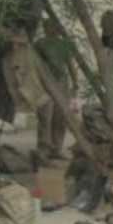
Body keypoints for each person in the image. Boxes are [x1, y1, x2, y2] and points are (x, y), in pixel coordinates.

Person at [34, 18, 78, 160]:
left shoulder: (64, 44)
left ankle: (56, 147)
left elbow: (70, 64)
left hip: (61, 83)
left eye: (53, 26)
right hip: (45, 83)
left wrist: (75, 82)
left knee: (61, 116)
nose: (51, 29)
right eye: (47, 26)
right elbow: (35, 66)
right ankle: (43, 148)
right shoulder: (40, 44)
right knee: (45, 116)